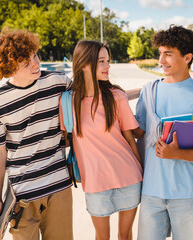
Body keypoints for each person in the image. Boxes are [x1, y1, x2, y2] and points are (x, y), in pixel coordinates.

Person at [133, 25, 193, 240]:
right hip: (151, 192)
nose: (161, 60)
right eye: (160, 53)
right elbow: (138, 132)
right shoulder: (149, 91)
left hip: (187, 194)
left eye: (168, 54)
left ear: (187, 57)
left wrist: (178, 154)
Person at [0, 28, 73, 239]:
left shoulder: (58, 82)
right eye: (26, 63)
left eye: (35, 56)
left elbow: (89, 102)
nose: (36, 64)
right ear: (9, 68)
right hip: (22, 196)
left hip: (58, 186)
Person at [59, 40, 142, 240]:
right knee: (101, 237)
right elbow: (66, 140)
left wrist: (143, 172)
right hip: (95, 182)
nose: (108, 66)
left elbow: (130, 138)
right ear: (84, 65)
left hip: (128, 176)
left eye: (108, 60)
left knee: (125, 236)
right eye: (101, 61)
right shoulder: (68, 102)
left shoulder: (116, 97)